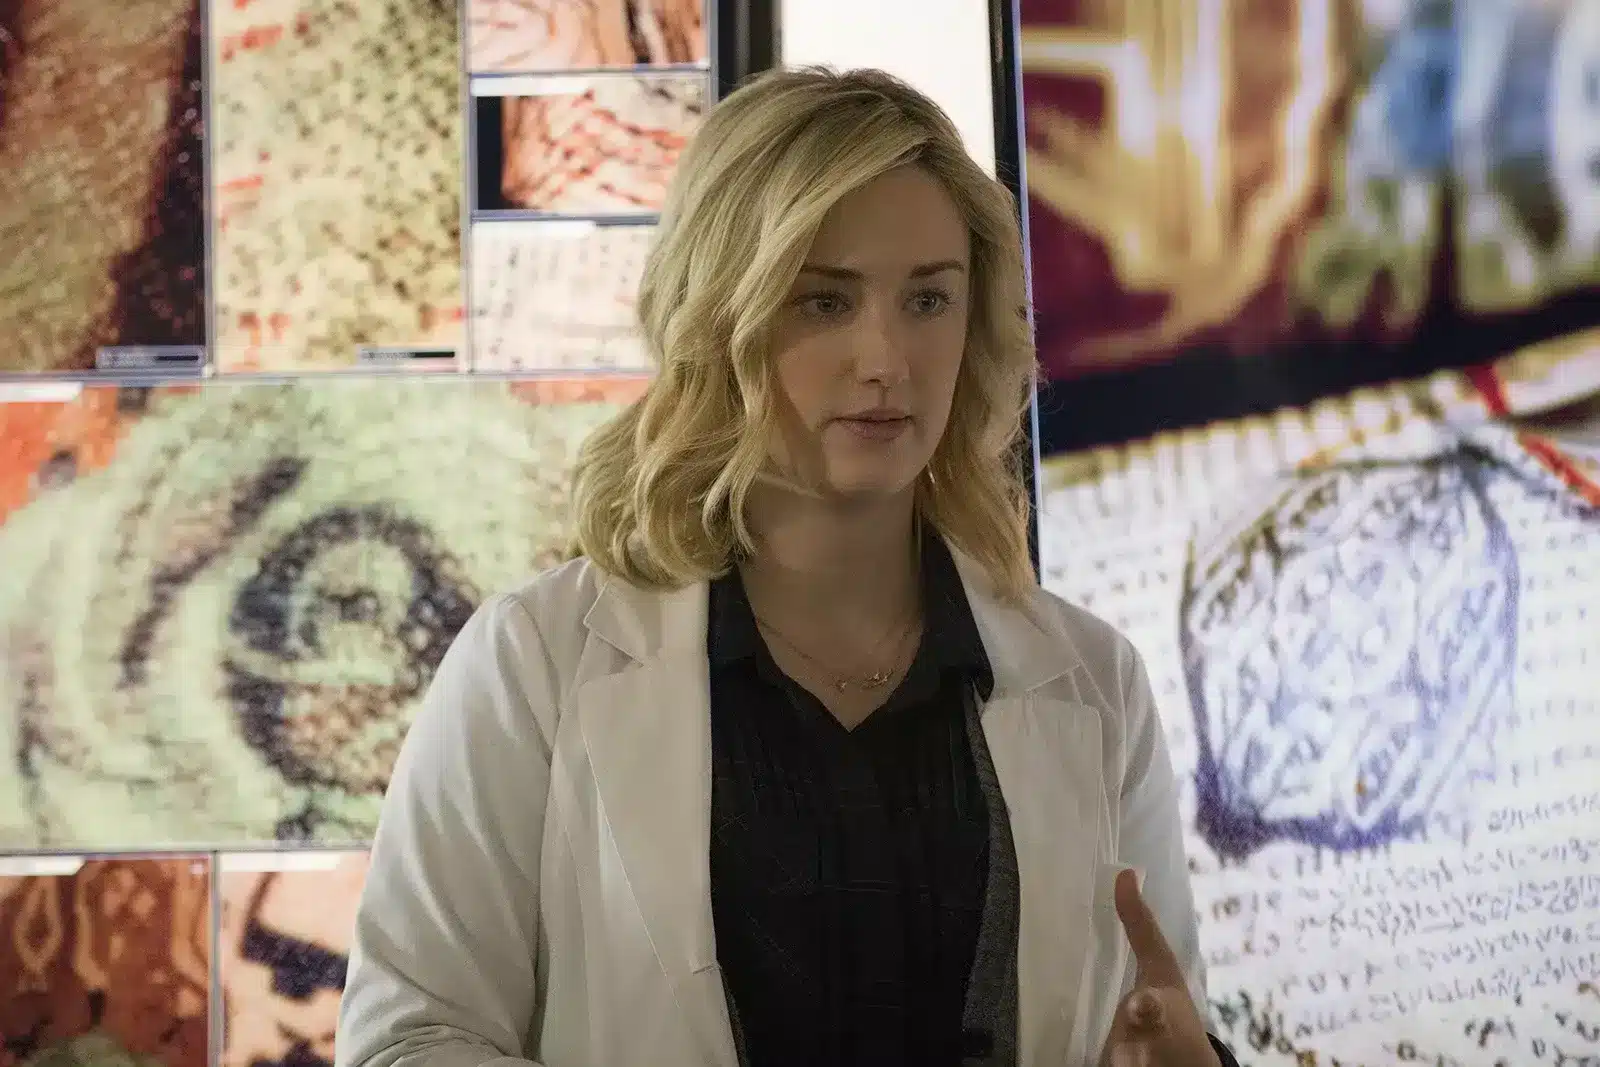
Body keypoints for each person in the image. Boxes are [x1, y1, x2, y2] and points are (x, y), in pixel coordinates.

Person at [334, 67, 1240, 1067]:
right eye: (825, 300)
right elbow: (406, 1040)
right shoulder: (534, 665)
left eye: (928, 298)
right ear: (719, 316)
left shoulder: (1093, 681)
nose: (886, 357)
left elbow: (1161, 1019)